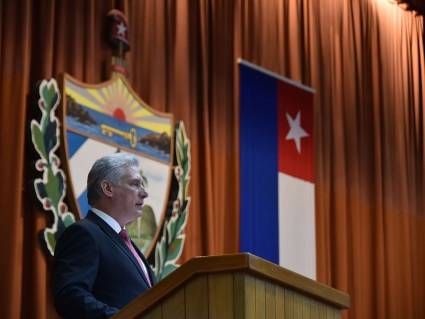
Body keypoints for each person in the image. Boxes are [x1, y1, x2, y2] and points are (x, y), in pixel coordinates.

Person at [54, 152, 155, 318]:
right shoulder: (84, 233)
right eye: (135, 184)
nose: (144, 193)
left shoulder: (124, 241)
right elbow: (70, 296)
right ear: (108, 188)